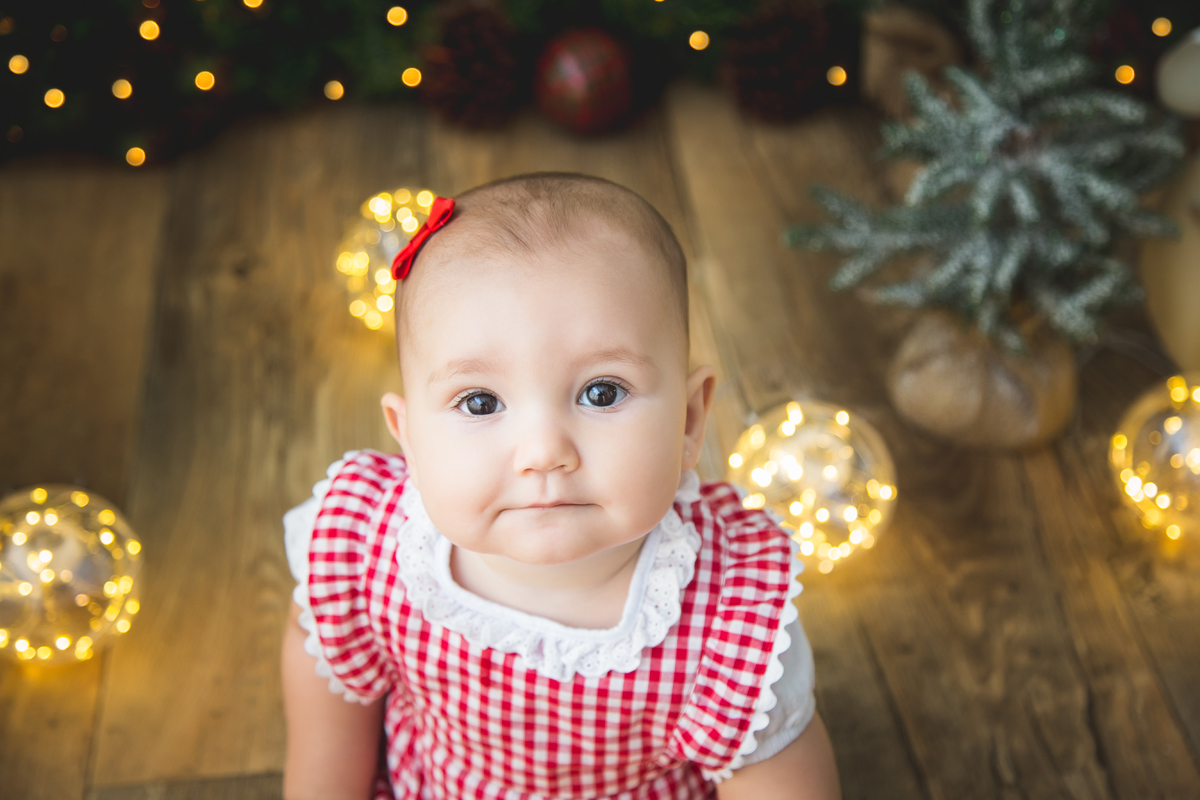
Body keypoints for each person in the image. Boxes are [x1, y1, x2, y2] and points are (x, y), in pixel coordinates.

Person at [280, 173, 841, 800]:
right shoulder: (367, 548)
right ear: (407, 436)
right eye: (480, 401)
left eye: (601, 392)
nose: (544, 451)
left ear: (688, 422)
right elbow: (326, 688)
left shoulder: (728, 613)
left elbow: (780, 780)